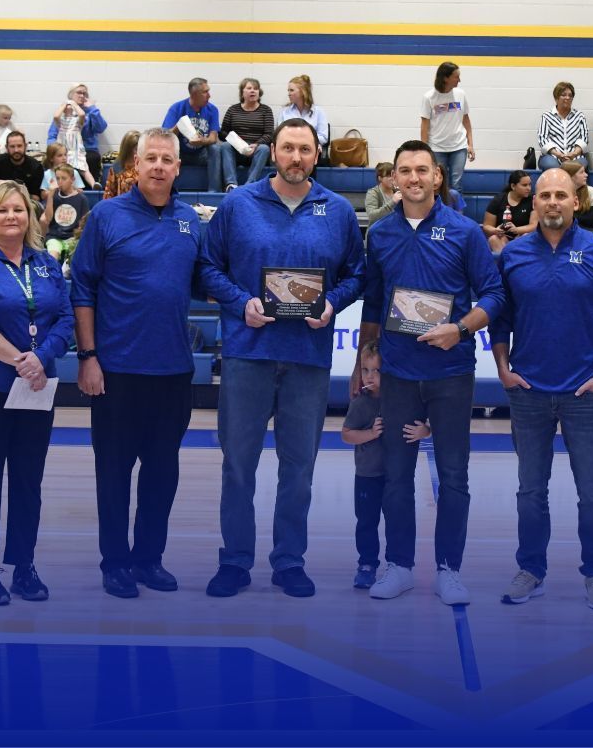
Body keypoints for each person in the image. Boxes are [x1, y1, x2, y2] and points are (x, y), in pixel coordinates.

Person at [200, 118, 365, 599]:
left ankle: (290, 560)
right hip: (247, 355)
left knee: (299, 468)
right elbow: (208, 267)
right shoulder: (238, 205)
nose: (296, 157)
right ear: (274, 152)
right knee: (238, 466)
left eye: (305, 150)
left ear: (317, 155)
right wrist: (241, 303)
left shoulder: (337, 210)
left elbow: (357, 275)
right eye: (288, 148)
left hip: (307, 359)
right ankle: (234, 561)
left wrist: (332, 303)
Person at [354, 139, 503, 606]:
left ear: (438, 176)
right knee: (396, 475)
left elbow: (495, 295)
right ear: (393, 179)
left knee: (454, 476)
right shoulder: (380, 233)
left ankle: (448, 570)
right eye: (405, 170)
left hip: (451, 373)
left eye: (422, 169)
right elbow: (373, 303)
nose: (414, 178)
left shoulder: (465, 232)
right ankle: (399, 566)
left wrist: (460, 329)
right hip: (398, 373)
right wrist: (362, 360)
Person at [490, 167, 593, 609]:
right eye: (544, 195)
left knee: (592, 492)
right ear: (533, 202)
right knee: (530, 491)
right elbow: (499, 318)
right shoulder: (513, 255)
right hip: (528, 393)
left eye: (561, 195)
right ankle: (531, 570)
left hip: (585, 396)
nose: (552, 202)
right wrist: (503, 370)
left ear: (577, 201)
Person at [70, 128, 201, 599]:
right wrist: (88, 357)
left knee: (162, 473)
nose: (159, 166)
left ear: (178, 167)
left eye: (167, 159)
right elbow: (82, 289)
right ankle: (115, 562)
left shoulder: (190, 220)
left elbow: (207, 281)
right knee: (114, 473)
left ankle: (148, 559)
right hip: (117, 371)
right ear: (136, 165)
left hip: (173, 371)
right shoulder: (107, 216)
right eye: (151, 158)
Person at [0, 180, 74, 605]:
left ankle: (24, 565)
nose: (11, 217)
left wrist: (42, 358)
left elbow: (65, 319)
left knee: (28, 480)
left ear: (29, 216)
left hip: (37, 388)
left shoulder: (45, 263)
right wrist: (23, 360)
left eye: (18, 209)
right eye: (2, 210)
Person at [342, 340, 430, 589]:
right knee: (366, 522)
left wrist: (424, 431)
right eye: (365, 370)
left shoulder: (404, 398)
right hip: (367, 474)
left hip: (394, 475)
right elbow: (347, 434)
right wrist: (370, 433)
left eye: (376, 370)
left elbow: (425, 424)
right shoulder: (361, 402)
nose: (370, 376)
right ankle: (367, 564)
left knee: (396, 519)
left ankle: (397, 564)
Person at [161, 77, 223, 192]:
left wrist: (202, 141)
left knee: (215, 149)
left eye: (208, 91)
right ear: (194, 94)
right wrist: (179, 126)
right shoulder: (177, 108)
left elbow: (213, 138)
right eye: (205, 92)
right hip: (181, 153)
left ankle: (214, 190)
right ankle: (166, 190)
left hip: (201, 154)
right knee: (165, 150)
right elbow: (165, 136)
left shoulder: (212, 109)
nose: (209, 95)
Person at [420, 62, 475, 192]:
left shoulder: (461, 94)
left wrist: (470, 144)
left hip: (459, 146)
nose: (459, 80)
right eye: (456, 77)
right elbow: (424, 126)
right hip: (437, 147)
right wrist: (424, 150)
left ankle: (456, 206)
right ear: (446, 78)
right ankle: (439, 206)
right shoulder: (429, 97)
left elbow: (466, 120)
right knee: (439, 184)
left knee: (457, 184)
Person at [45, 83, 107, 186]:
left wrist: (92, 108)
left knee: (91, 159)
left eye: (84, 93)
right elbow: (52, 136)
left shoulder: (89, 112)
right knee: (54, 159)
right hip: (64, 149)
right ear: (71, 95)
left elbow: (101, 128)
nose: (82, 96)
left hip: (87, 150)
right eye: (79, 93)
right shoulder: (62, 114)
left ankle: (91, 188)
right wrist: (54, 151)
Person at [220, 77, 275, 192]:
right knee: (225, 146)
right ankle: (231, 184)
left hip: (256, 151)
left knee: (264, 148)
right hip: (237, 151)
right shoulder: (233, 110)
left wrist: (256, 144)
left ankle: (250, 184)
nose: (253, 91)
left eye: (256, 89)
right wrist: (236, 141)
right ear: (242, 92)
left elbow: (269, 134)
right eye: (249, 88)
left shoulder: (266, 110)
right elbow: (223, 132)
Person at [41, 164, 89, 262]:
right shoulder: (54, 196)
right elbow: (48, 218)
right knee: (52, 258)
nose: (60, 182)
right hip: (55, 236)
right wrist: (50, 196)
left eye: (64, 178)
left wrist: (77, 237)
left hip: (73, 237)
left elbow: (83, 223)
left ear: (72, 179)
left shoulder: (81, 199)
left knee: (75, 258)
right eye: (57, 178)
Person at [481, 170, 536, 253]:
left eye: (530, 184)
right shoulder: (498, 200)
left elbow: (534, 226)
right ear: (513, 186)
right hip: (503, 238)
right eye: (524, 185)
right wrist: (495, 230)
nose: (529, 188)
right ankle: (506, 260)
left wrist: (517, 230)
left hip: (521, 236)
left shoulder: (532, 199)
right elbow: (487, 226)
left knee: (526, 236)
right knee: (493, 239)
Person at [537, 82, 588, 169]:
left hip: (574, 156)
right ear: (556, 98)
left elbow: (584, 138)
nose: (567, 98)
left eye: (570, 95)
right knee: (552, 165)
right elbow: (543, 139)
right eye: (563, 95)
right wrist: (558, 154)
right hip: (552, 156)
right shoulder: (547, 116)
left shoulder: (579, 116)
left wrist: (574, 154)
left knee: (580, 165)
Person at [0, 132, 44, 203]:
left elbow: (36, 198)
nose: (16, 150)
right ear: (6, 147)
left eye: (19, 146)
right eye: (12, 146)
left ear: (25, 146)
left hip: (26, 203)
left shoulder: (36, 167)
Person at [278, 75, 329, 151]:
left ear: (302, 92)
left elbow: (323, 137)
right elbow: (280, 135)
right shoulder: (285, 112)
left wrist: (307, 142)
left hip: (309, 148)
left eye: (291, 90)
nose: (289, 93)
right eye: (288, 90)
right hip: (289, 148)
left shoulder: (318, 112)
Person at [102, 130, 141, 200]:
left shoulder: (144, 165)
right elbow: (109, 193)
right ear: (127, 149)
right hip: (122, 204)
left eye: (140, 149)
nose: (138, 152)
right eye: (136, 149)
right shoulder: (117, 167)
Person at [365, 162, 401, 226]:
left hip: (395, 229)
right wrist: (392, 202)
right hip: (378, 230)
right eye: (388, 176)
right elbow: (372, 216)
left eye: (393, 175)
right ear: (380, 178)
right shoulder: (373, 193)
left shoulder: (398, 192)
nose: (392, 178)